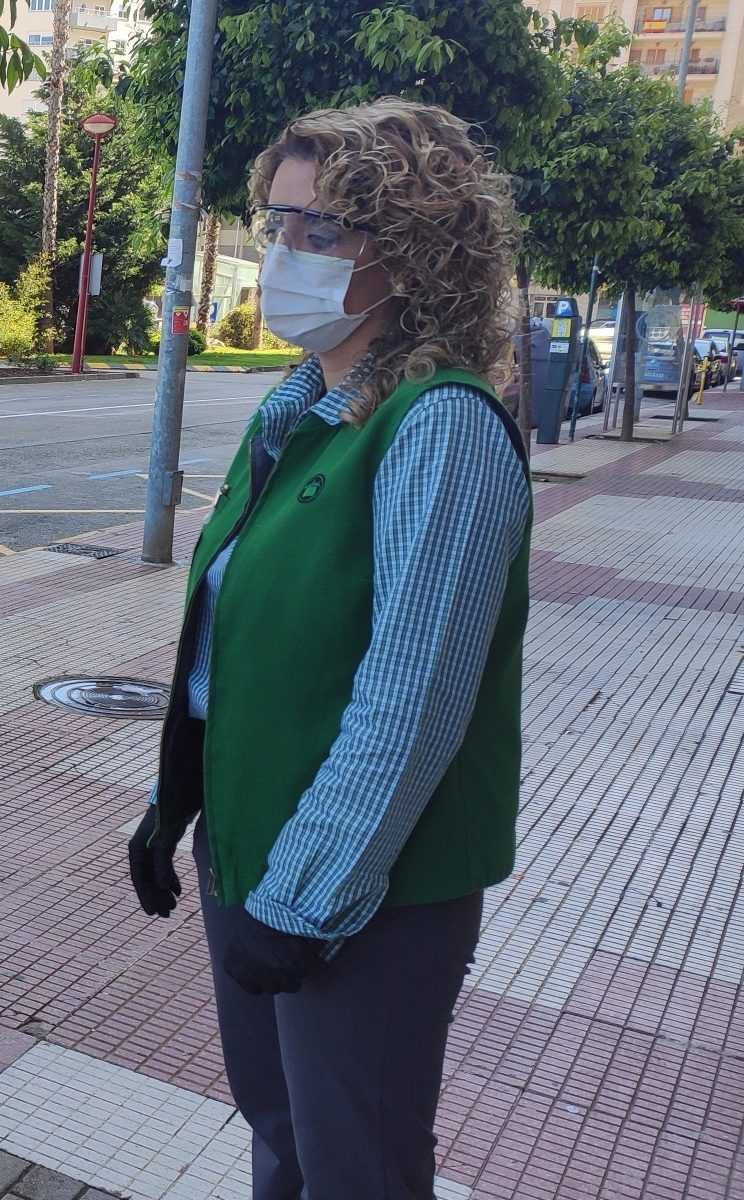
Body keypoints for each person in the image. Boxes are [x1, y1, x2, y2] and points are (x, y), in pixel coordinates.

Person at [126, 98, 532, 1199]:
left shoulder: (436, 427)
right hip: (258, 862)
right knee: (285, 1139)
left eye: (318, 232)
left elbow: (408, 707)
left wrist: (298, 904)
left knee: (356, 1168)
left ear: (408, 255)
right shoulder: (302, 408)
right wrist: (172, 808)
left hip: (366, 896)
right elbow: (229, 646)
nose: (279, 255)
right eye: (273, 225)